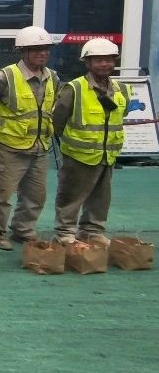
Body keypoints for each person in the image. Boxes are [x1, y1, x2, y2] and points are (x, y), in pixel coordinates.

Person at [0, 26, 58, 250]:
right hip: (9, 147)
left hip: (39, 146)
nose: (42, 53)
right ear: (22, 51)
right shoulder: (3, 77)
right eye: (36, 49)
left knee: (36, 195)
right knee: (2, 194)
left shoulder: (52, 77)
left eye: (45, 49)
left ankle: (24, 230)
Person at [51, 38, 132, 245]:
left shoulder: (122, 89)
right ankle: (65, 232)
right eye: (98, 60)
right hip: (77, 156)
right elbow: (58, 120)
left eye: (109, 60)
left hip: (107, 155)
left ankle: (92, 231)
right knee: (71, 196)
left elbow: (120, 116)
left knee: (101, 197)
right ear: (87, 63)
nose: (104, 64)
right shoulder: (74, 88)